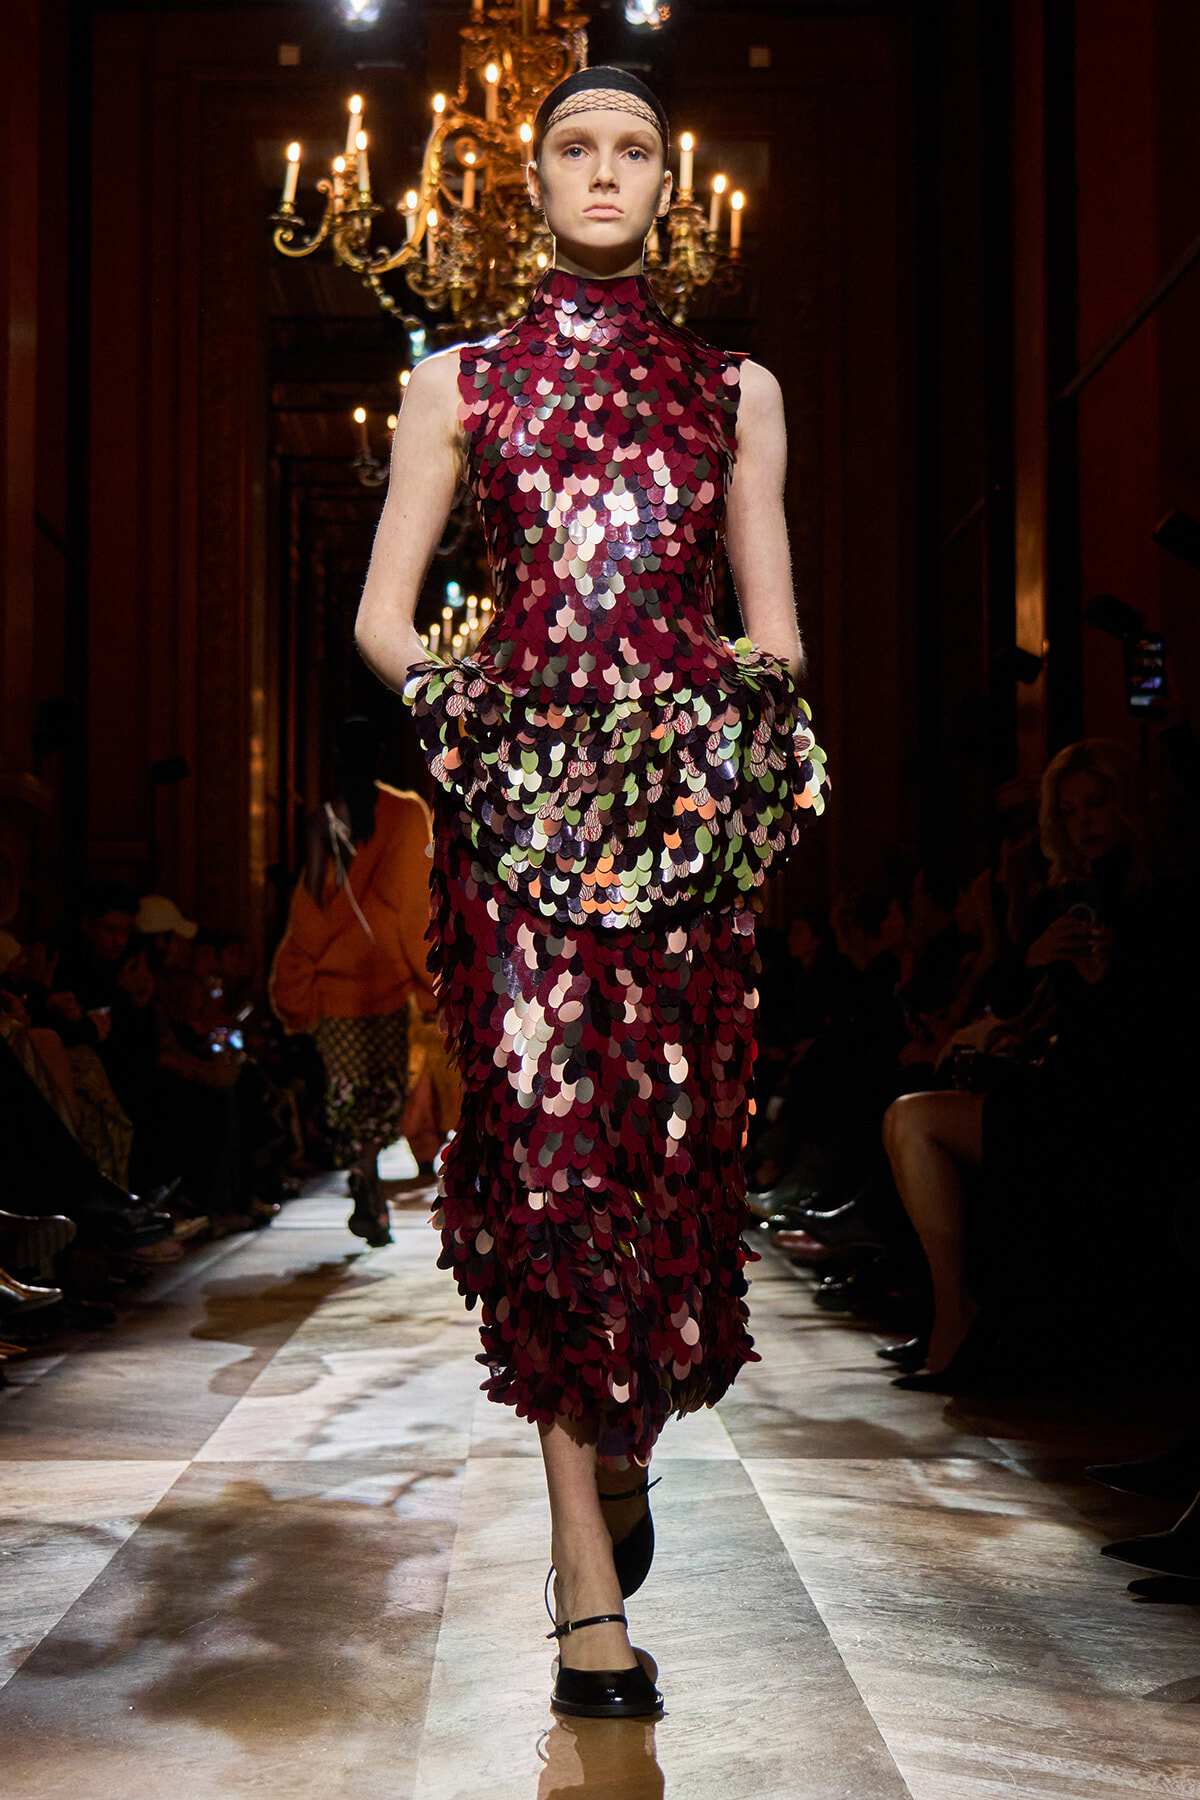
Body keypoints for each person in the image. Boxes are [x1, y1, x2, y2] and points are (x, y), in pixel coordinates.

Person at [355, 67, 828, 1718]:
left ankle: (617, 1453)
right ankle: (584, 1598)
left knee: (669, 1180)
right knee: (551, 1181)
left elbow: (775, 636)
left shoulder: (736, 390)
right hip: (525, 848)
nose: (606, 171)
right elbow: (383, 620)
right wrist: (499, 754)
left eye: (634, 149)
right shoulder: (457, 387)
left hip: (684, 851)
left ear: (664, 185)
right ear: (533, 179)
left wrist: (719, 767)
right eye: (577, 147)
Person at [269, 718, 436, 1245]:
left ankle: (362, 1171)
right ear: (382, 754)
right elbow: (418, 907)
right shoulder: (409, 814)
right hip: (385, 981)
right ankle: (370, 1175)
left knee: (347, 1090)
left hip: (336, 986)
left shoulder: (323, 819)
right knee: (384, 1090)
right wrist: (430, 977)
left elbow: (312, 904)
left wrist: (302, 967)